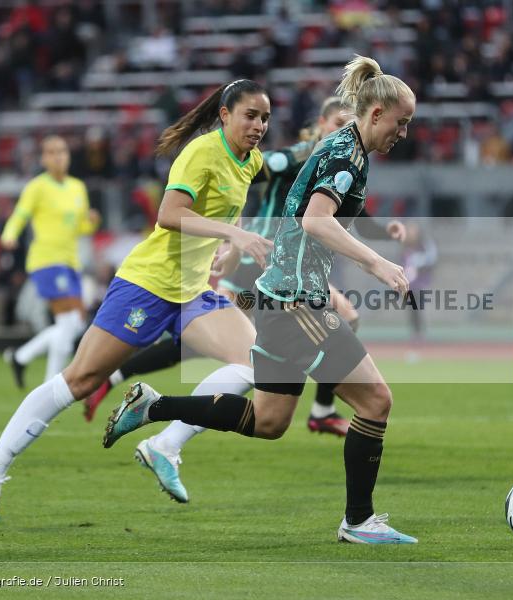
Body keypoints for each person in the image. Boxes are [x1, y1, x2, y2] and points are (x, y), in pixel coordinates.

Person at [103, 56, 419, 544]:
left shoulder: (349, 149)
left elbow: (328, 217)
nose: (404, 132)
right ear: (376, 114)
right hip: (296, 302)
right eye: (401, 121)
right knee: (376, 400)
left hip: (280, 296)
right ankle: (358, 521)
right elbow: (316, 220)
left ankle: (154, 406)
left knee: (269, 421)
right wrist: (376, 263)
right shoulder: (345, 155)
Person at [0, 79, 274, 523]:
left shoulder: (251, 159)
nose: (259, 125)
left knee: (254, 361)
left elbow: (231, 205)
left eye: (265, 118)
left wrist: (229, 243)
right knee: (81, 380)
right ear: (225, 115)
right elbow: (169, 215)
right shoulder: (201, 152)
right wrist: (233, 234)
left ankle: (165, 444)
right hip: (148, 284)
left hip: (192, 291)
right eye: (251, 115)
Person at [82, 97, 407, 438]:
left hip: (283, 263)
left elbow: (351, 210)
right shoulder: (299, 156)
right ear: (321, 124)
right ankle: (157, 424)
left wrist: (384, 231)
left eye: (347, 124)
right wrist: (229, 227)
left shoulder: (339, 161)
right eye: (337, 123)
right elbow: (248, 169)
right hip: (264, 258)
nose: (343, 130)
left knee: (216, 349)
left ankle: (141, 402)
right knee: (218, 344)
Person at [0, 136, 101, 387]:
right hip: (47, 260)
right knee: (68, 322)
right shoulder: (37, 187)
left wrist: (92, 222)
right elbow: (20, 215)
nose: (58, 156)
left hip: (70, 262)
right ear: (44, 158)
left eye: (62, 151)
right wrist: (9, 235)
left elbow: (80, 228)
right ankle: (52, 384)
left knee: (75, 323)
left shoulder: (77, 187)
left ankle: (21, 357)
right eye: (52, 152)